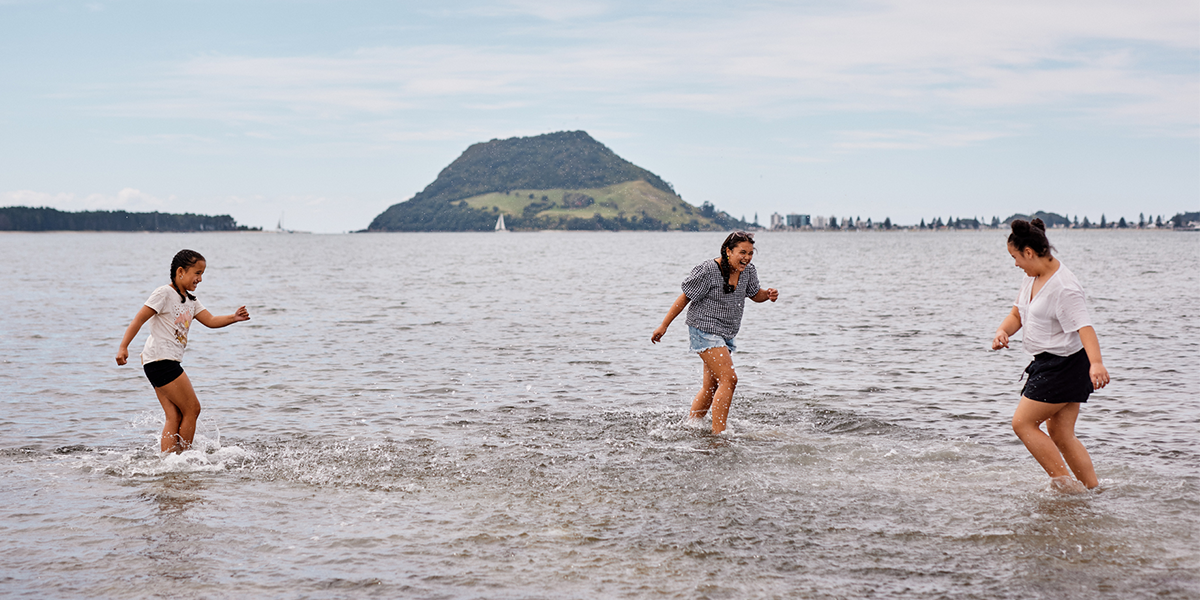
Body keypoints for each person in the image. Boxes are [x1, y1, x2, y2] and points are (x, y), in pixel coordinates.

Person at [991, 219, 1109, 491]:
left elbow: (1085, 327)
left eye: (1015, 257)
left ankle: (1064, 484)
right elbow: (1016, 314)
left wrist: (1097, 364)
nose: (1016, 264)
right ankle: (1092, 490)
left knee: (1022, 423)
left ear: (1029, 252)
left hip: (1063, 366)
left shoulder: (1064, 287)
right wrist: (1002, 331)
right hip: (1052, 363)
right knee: (1061, 433)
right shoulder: (1031, 277)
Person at [116, 249, 250, 453]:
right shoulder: (163, 293)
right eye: (197, 273)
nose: (200, 279)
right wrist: (123, 346)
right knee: (193, 409)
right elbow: (139, 319)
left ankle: (169, 460)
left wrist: (233, 317)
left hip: (157, 362)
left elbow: (211, 321)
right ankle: (184, 458)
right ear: (180, 272)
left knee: (174, 415)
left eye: (202, 273)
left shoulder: (191, 301)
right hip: (161, 360)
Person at [651, 231, 778, 434]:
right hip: (703, 328)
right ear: (728, 251)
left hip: (726, 332)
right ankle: (719, 434)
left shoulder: (749, 271)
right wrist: (664, 325)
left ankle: (691, 425)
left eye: (751, 253)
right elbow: (685, 297)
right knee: (729, 379)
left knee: (711, 387)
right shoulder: (709, 270)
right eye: (742, 252)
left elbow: (755, 294)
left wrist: (768, 295)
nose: (747, 257)